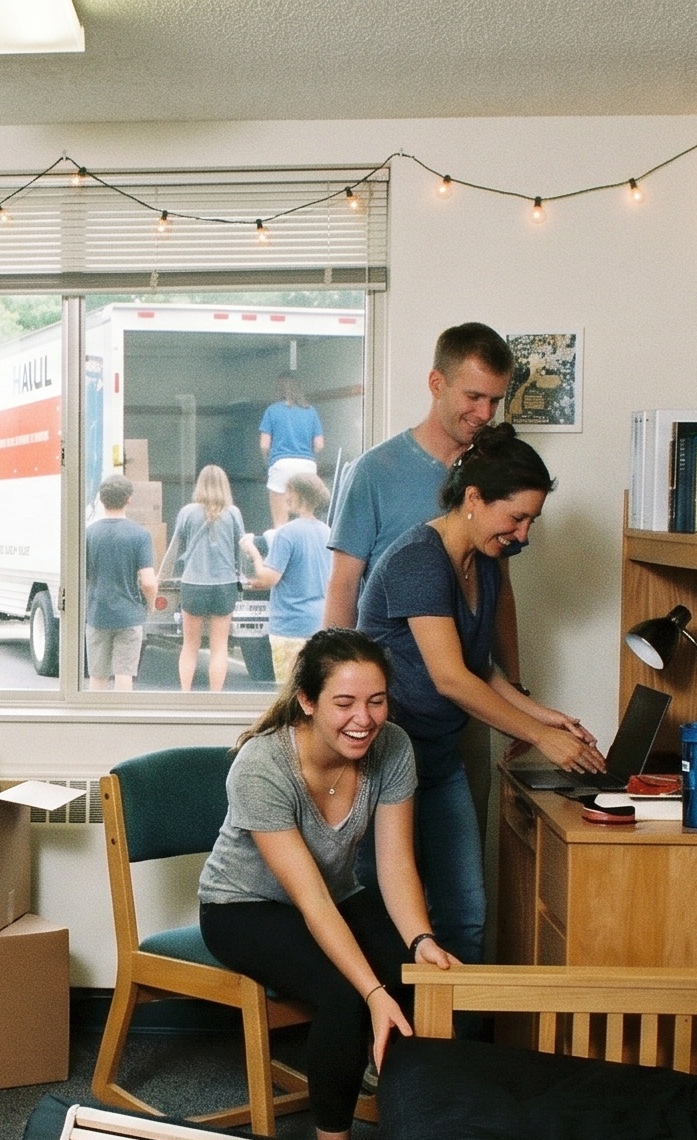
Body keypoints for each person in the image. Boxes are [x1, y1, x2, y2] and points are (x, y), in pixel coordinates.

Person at [198, 628, 457, 1140]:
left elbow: (395, 863)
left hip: (334, 897)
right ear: (307, 701)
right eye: (344, 703)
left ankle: (403, 1132)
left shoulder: (394, 748)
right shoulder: (261, 766)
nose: (364, 719)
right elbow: (309, 900)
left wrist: (420, 942)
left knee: (418, 976)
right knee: (345, 995)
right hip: (244, 907)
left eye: (376, 701)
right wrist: (372, 992)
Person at [356, 424, 603, 965]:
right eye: (516, 517)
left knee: (465, 917)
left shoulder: (484, 564)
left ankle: (452, 1046)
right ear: (473, 499)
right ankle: (385, 1047)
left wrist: (547, 718)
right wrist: (536, 734)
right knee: (385, 921)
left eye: (532, 521)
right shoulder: (419, 559)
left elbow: (479, 668)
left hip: (438, 760)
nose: (524, 534)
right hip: (385, 765)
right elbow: (450, 678)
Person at [321, 325, 518, 661]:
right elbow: (344, 587)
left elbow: (500, 590)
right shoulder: (373, 471)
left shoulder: (495, 474)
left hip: (473, 694)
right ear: (437, 384)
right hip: (390, 694)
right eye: (473, 397)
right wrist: (332, 685)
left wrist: (514, 681)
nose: (485, 414)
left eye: (495, 400)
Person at [165, 465, 247, 692]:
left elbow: (174, 548)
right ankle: (215, 697)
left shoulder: (187, 512)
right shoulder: (232, 513)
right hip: (224, 584)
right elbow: (242, 547)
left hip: (193, 584)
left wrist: (163, 576)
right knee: (219, 647)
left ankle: (185, 695)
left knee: (189, 646)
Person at [246, 472, 331, 685]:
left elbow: (269, 578)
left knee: (289, 693)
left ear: (297, 494)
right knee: (314, 690)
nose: (285, 497)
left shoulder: (286, 533)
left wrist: (252, 551)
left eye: (288, 492)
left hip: (289, 627)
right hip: (319, 623)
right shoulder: (328, 532)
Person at [83, 475, 155, 691]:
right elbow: (149, 582)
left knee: (97, 677)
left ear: (101, 500)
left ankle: (96, 723)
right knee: (124, 675)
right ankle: (121, 721)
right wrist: (149, 605)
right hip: (129, 616)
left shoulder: (89, 534)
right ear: (128, 499)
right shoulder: (140, 535)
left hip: (97, 614)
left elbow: (84, 574)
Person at [258, 372, 324, 525]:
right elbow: (319, 445)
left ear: (279, 389)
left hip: (281, 464)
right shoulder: (311, 411)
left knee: (280, 523)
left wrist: (267, 463)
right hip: (306, 466)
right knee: (306, 519)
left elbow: (264, 445)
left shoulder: (272, 410)